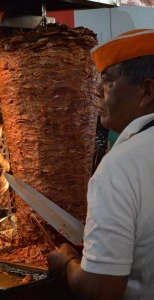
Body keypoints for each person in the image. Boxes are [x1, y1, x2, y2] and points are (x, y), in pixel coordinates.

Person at [47, 28, 154, 300]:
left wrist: (67, 263)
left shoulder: (121, 166)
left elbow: (100, 289)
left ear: (147, 90)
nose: (96, 91)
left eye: (108, 81)